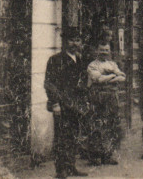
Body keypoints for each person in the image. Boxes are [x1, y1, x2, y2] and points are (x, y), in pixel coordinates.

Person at [44, 27, 89, 178]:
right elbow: (49, 83)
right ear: (64, 41)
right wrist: (55, 103)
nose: (74, 43)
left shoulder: (80, 60)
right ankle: (61, 170)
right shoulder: (55, 60)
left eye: (77, 40)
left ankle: (71, 166)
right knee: (61, 138)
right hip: (62, 105)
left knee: (73, 136)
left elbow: (83, 83)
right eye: (71, 40)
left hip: (75, 105)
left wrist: (83, 101)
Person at [86, 41, 126, 166]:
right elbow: (98, 79)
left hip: (112, 98)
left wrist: (107, 77)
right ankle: (95, 156)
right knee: (97, 125)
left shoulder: (112, 64)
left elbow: (123, 77)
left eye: (106, 50)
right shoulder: (92, 65)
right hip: (97, 97)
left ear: (110, 51)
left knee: (111, 125)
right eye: (101, 49)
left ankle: (107, 155)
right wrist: (113, 75)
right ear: (97, 51)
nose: (104, 52)